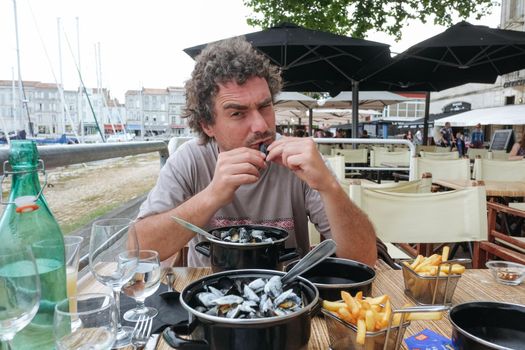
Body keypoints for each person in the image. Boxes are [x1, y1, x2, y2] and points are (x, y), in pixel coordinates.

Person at [135, 37, 377, 267]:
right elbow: (138, 250)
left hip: (287, 289)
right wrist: (212, 195)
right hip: (209, 293)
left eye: (265, 106)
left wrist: (329, 186)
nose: (261, 125)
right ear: (207, 125)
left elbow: (364, 259)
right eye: (238, 113)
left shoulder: (300, 161)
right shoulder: (190, 160)